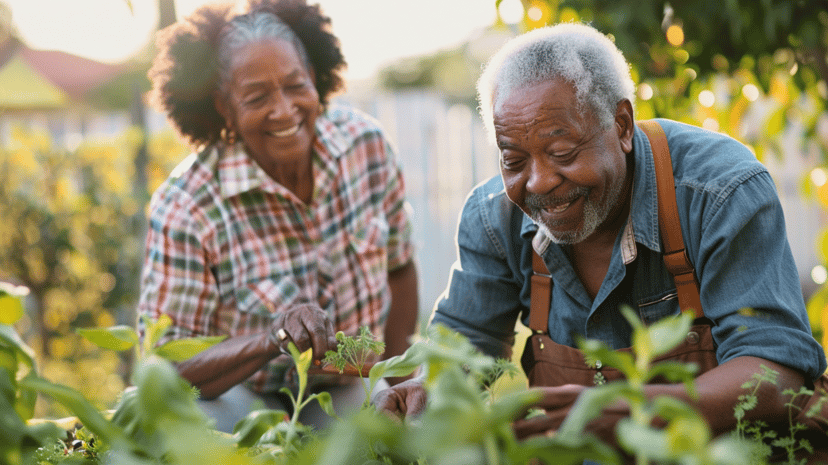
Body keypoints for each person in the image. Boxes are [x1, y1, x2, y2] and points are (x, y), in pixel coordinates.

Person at [374, 22, 827, 447]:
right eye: (513, 160)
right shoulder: (494, 218)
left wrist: (629, 408)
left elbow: (773, 373)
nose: (538, 182)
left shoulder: (718, 192)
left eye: (562, 152)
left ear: (622, 126)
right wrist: (421, 389)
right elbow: (460, 351)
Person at [137, 0, 418, 433]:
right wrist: (271, 339)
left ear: (316, 80)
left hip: (351, 387)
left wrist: (394, 381)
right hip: (242, 400)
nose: (284, 110)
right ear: (224, 106)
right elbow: (169, 365)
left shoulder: (366, 147)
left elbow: (400, 270)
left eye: (294, 85)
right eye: (257, 97)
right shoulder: (186, 206)